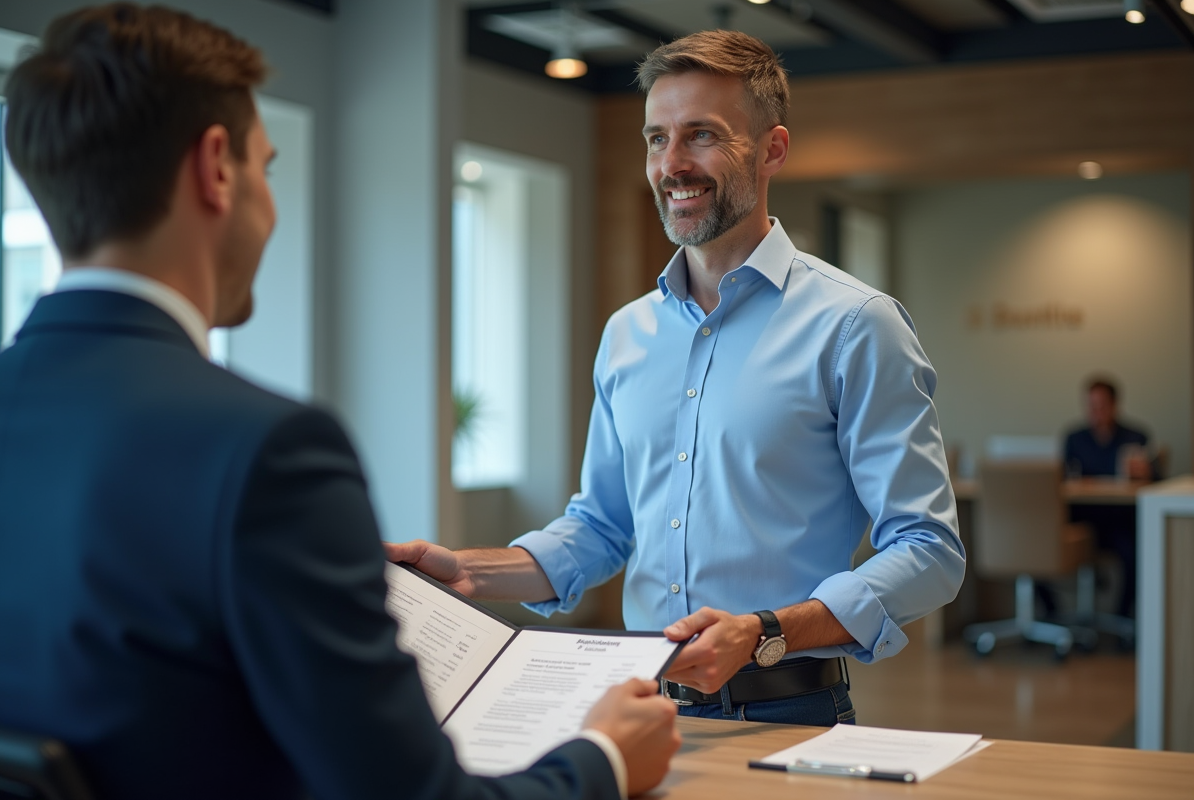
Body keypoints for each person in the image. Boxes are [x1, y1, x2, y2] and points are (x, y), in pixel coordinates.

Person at [0, 5, 679, 800]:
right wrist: (604, 758)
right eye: (266, 167)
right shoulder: (266, 450)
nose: (270, 205)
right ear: (216, 169)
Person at [389, 30, 964, 727]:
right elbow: (600, 527)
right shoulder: (627, 334)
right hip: (639, 712)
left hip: (790, 710)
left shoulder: (856, 326)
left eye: (701, 135)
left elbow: (929, 550)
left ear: (772, 149)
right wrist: (469, 571)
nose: (671, 164)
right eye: (656, 139)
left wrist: (765, 631)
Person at [1063, 376, 1157, 619]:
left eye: (1102, 405)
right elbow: (1063, 476)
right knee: (1038, 540)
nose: (1096, 412)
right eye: (1091, 406)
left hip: (1119, 521)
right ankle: (1051, 614)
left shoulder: (1135, 437)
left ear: (1115, 405)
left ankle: (1122, 619)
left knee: (1136, 553)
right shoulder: (1075, 438)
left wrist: (1147, 472)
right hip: (1083, 521)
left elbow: (1157, 480)